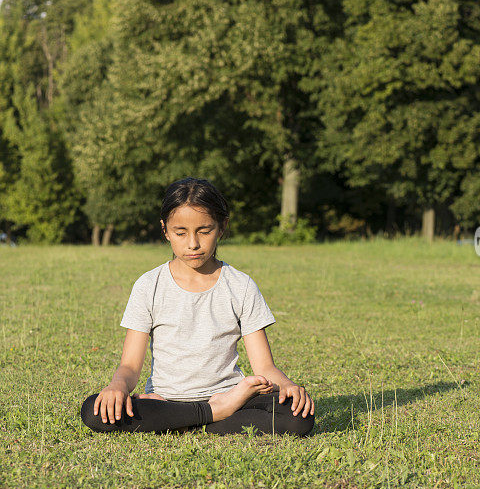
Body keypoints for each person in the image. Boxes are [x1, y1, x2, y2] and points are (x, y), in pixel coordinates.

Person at [79, 177, 315, 437]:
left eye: (204, 231)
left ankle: (182, 420)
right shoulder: (149, 285)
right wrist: (117, 387)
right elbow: (130, 367)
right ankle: (212, 414)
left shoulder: (241, 286)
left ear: (222, 227)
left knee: (297, 415)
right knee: (95, 410)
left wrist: (288, 385)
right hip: (168, 400)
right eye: (180, 233)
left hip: (231, 396)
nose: (192, 243)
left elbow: (264, 367)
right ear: (165, 230)